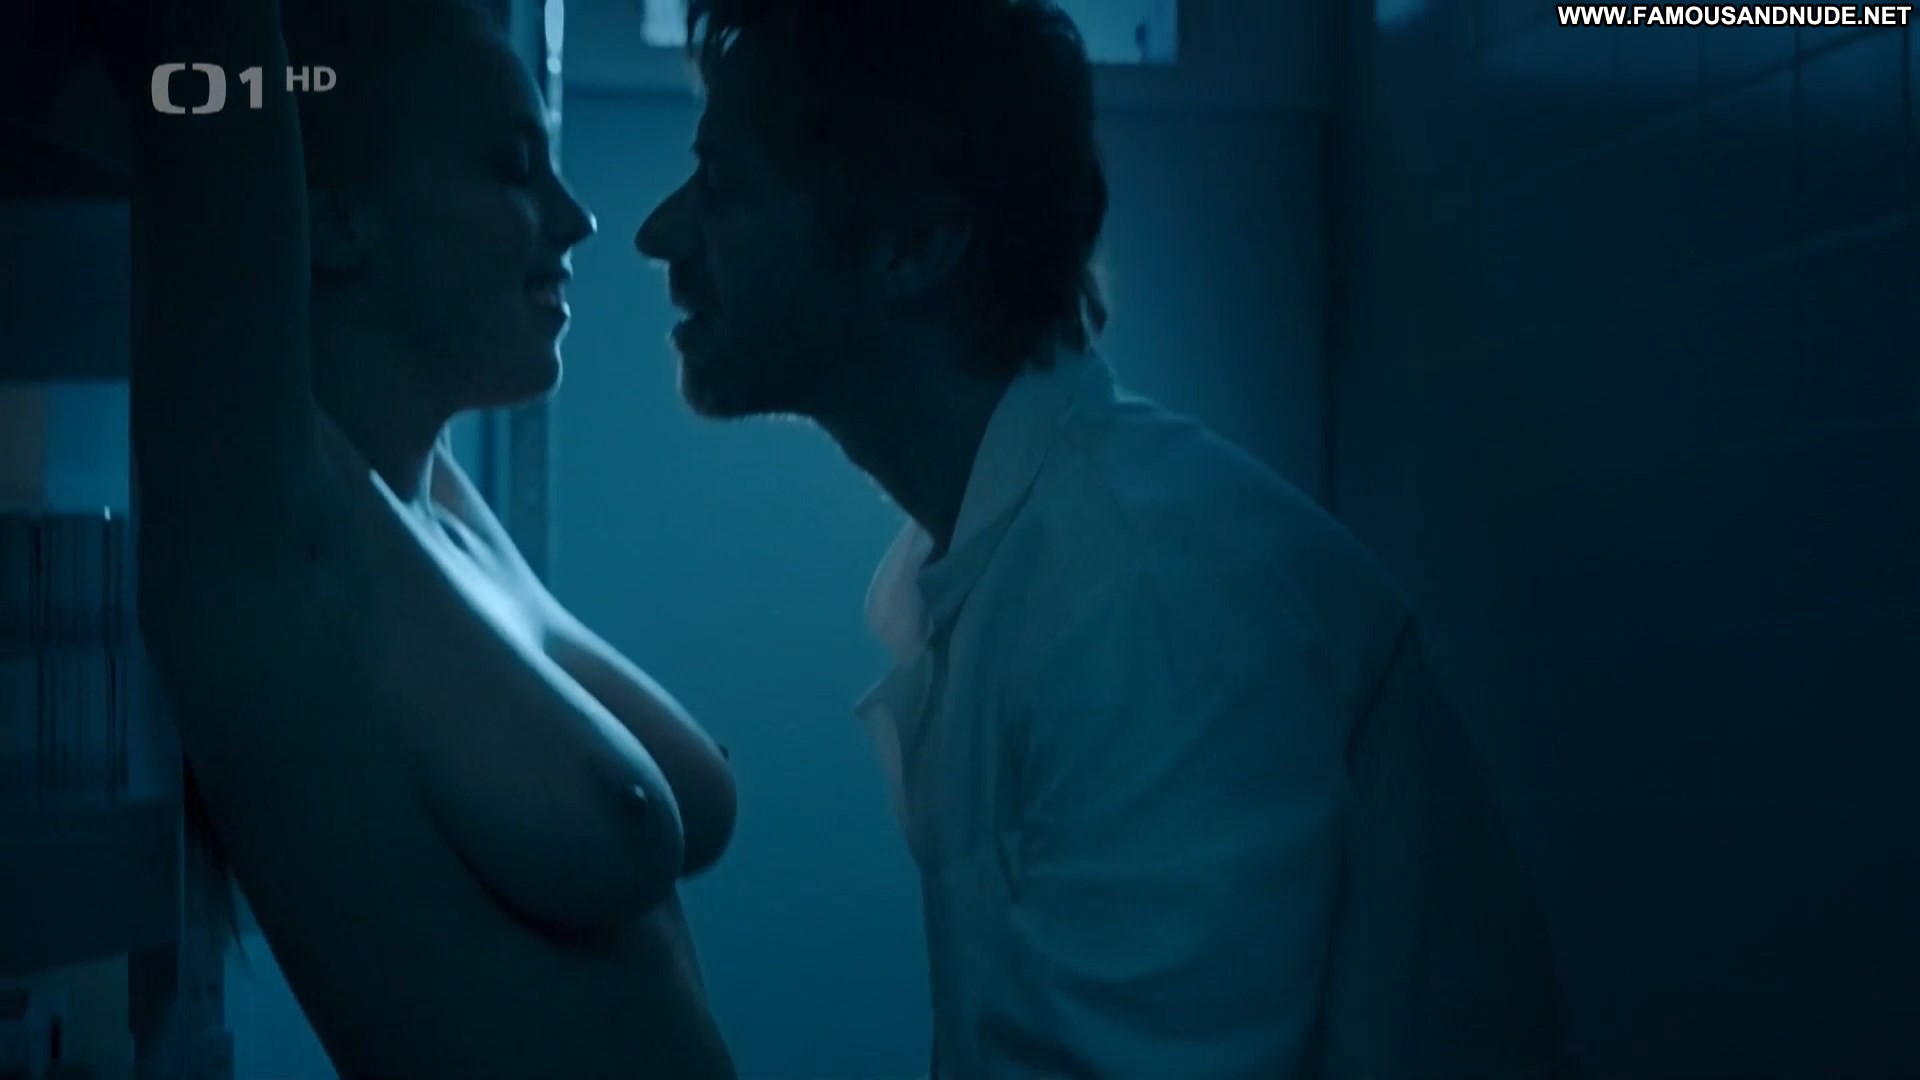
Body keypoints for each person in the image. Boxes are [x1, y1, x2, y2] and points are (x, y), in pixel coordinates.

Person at [635, 0, 1566, 1075]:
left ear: (915, 243)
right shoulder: (1008, 567)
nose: (660, 234)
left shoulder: (1147, 598)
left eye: (722, 185)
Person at [82, 0, 737, 1076]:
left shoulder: (432, 507)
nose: (577, 220)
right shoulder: (273, 534)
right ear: (340, 223)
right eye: (511, 167)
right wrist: (260, 93)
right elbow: (207, 71)